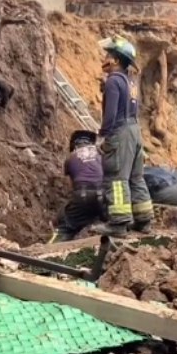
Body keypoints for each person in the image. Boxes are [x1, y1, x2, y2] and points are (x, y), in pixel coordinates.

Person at [96, 36, 153, 234]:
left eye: (108, 54)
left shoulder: (113, 80)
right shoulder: (131, 81)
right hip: (135, 130)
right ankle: (144, 221)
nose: (105, 57)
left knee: (116, 177)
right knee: (136, 177)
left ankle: (118, 223)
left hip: (120, 132)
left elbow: (110, 113)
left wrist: (103, 135)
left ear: (117, 60)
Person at [50, 131, 106, 242]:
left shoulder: (71, 158)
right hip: (106, 195)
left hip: (82, 195)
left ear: (74, 145)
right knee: (111, 224)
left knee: (65, 227)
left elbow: (73, 185)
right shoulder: (101, 155)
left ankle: (50, 252)